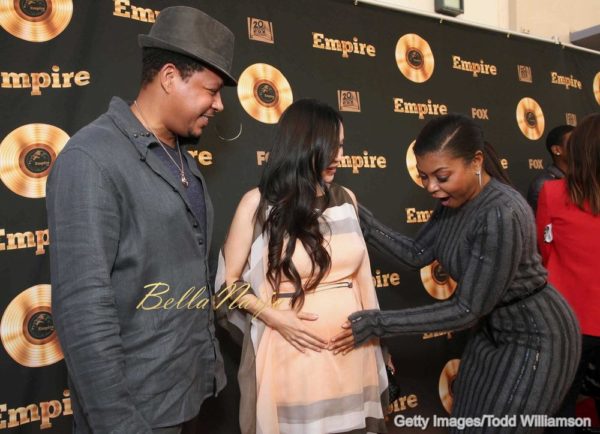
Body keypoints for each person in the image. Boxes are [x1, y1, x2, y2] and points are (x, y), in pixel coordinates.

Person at [46, 7, 236, 433]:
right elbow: (82, 311)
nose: (219, 104)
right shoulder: (90, 159)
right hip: (134, 415)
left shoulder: (182, 160)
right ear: (170, 78)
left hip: (191, 395)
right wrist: (118, 424)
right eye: (212, 89)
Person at [330, 114, 581, 432]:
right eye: (424, 177)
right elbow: (416, 254)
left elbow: (466, 309)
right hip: (492, 331)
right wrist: (354, 212)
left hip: (536, 337)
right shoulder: (453, 201)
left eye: (441, 176)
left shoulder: (501, 212)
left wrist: (376, 323)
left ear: (476, 161)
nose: (432, 187)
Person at [215, 99, 388, 434]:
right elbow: (228, 286)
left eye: (341, 146)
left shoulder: (346, 199)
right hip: (295, 356)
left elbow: (363, 279)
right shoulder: (258, 204)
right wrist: (273, 316)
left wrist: (380, 341)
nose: (339, 156)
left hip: (356, 352)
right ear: (304, 144)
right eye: (330, 146)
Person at [536, 114, 600, 428]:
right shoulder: (552, 192)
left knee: (561, 410)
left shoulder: (553, 193)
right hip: (570, 321)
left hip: (568, 320)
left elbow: (544, 250)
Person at [527, 125, 574, 212]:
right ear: (557, 150)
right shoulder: (543, 184)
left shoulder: (584, 178)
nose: (580, 147)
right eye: (574, 142)